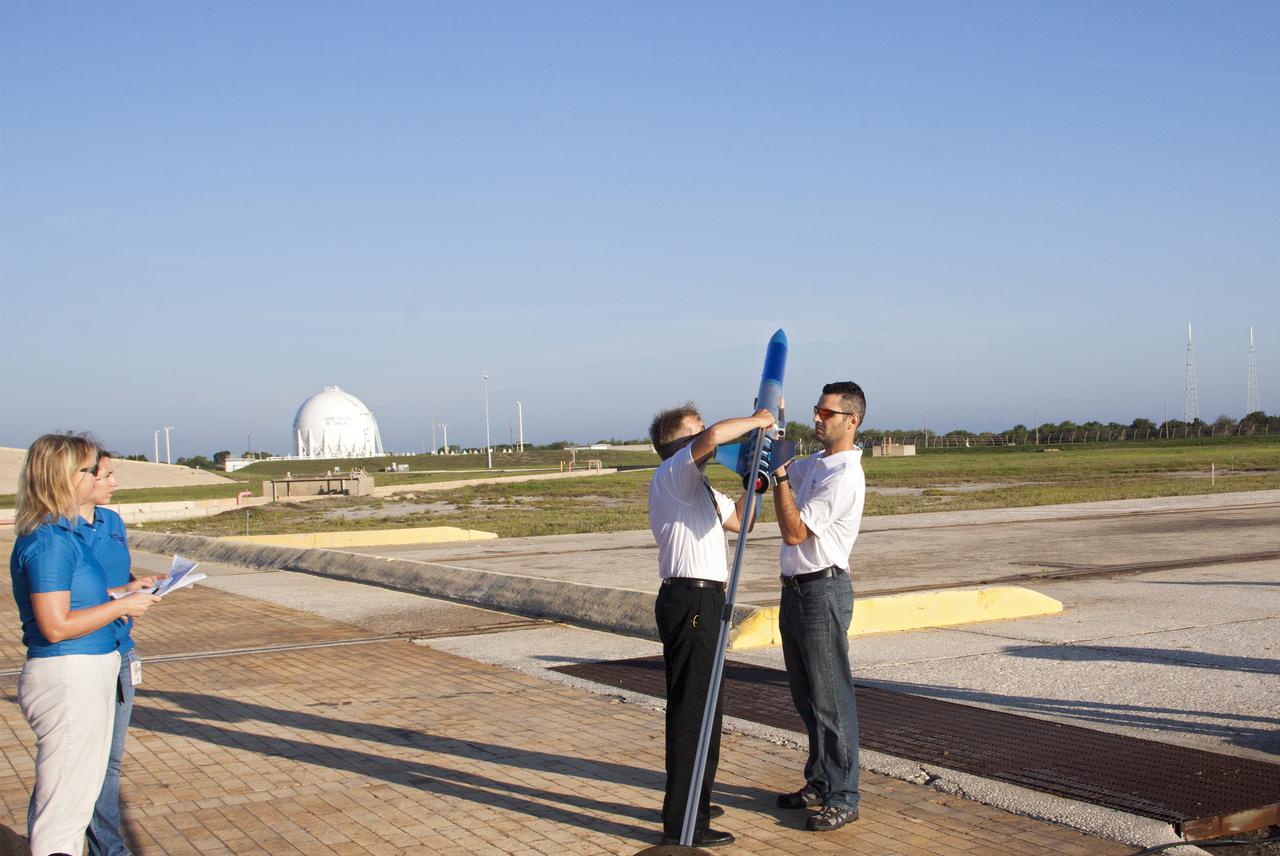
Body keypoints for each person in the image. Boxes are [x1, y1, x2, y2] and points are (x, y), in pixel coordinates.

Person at [10, 434, 161, 856]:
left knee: (76, 803)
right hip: (68, 675)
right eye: (90, 470)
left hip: (90, 669)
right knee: (63, 813)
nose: (100, 477)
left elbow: (77, 600)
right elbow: (55, 626)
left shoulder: (68, 535)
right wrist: (124, 605)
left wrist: (122, 594)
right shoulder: (48, 541)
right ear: (62, 476)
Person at [648, 402, 776, 848]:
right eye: (694, 428)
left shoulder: (699, 488)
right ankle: (685, 824)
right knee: (693, 713)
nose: (703, 432)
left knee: (706, 711)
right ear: (676, 443)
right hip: (690, 599)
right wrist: (759, 421)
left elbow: (744, 523)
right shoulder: (674, 475)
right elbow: (716, 436)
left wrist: (754, 481)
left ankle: (695, 801)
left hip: (707, 598)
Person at [772, 382, 867, 832]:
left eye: (826, 414)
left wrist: (781, 477)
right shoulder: (818, 463)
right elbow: (786, 455)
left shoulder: (844, 474)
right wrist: (775, 420)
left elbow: (795, 533)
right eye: (816, 410)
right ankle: (820, 780)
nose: (818, 419)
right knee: (805, 698)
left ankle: (844, 795)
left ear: (852, 420)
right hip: (794, 590)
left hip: (822, 590)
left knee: (831, 701)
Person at [82, 449, 161, 856]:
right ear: (79, 477)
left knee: (110, 762)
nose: (114, 482)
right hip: (84, 658)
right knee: (75, 766)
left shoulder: (112, 521)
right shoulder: (56, 533)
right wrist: (120, 599)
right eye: (107, 474)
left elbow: (114, 577)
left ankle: (106, 849)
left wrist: (139, 584)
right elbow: (66, 606)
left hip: (121, 650)